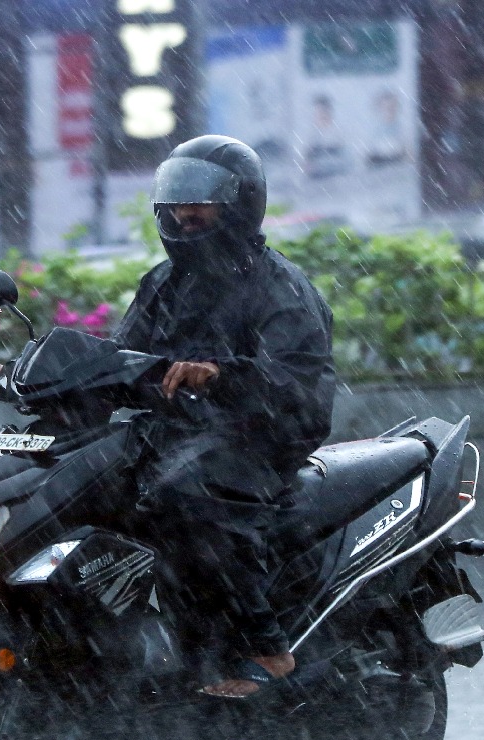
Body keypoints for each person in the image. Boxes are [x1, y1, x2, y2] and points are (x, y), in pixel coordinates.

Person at [108, 135, 335, 698]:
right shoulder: (163, 284)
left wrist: (222, 375)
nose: (184, 212)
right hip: (180, 433)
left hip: (261, 437)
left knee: (186, 494)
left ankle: (267, 650)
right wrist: (38, 374)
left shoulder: (279, 287)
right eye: (176, 199)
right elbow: (120, 360)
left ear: (240, 204)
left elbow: (293, 379)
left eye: (201, 199)